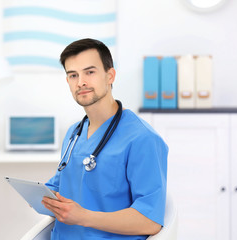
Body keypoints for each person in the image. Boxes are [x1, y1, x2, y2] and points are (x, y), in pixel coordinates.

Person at [42, 38, 168, 240]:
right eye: (73, 75)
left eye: (89, 72)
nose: (81, 81)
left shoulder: (142, 139)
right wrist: (40, 197)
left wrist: (83, 217)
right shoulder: (74, 133)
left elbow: (150, 221)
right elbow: (60, 186)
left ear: (110, 75)